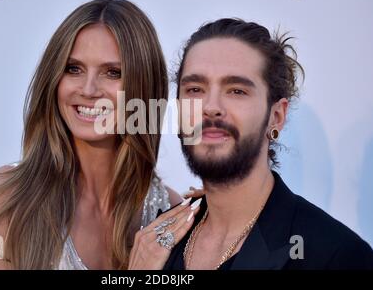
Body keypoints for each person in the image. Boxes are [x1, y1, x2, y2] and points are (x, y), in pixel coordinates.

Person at [0, 0, 186, 270]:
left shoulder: (168, 212)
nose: (88, 89)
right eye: (74, 68)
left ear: (143, 87)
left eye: (112, 72)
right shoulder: (4, 198)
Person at [156, 18, 373, 269]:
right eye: (195, 89)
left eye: (237, 90)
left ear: (276, 116)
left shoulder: (337, 256)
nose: (211, 107)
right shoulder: (156, 241)